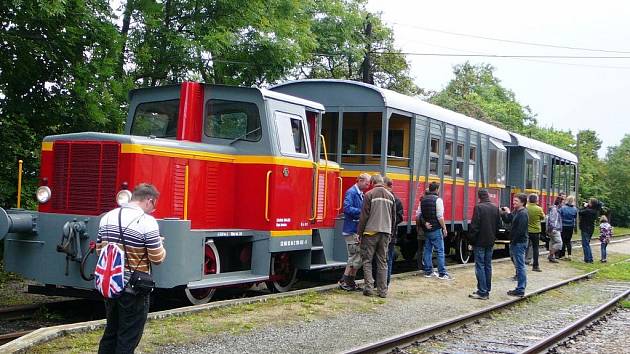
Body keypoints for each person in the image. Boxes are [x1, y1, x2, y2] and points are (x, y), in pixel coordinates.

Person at [97, 183, 166, 354]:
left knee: (111, 333)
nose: (153, 210)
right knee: (128, 338)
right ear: (149, 200)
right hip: (134, 289)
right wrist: (161, 245)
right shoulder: (147, 221)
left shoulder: (107, 217)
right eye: (154, 205)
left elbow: (100, 251)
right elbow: (157, 258)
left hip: (110, 285)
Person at [357, 174, 396, 298]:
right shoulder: (391, 196)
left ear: (373, 183)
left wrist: (359, 233)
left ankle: (369, 288)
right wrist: (391, 233)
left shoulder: (369, 195)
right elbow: (393, 218)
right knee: (382, 261)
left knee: (367, 260)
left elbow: (364, 216)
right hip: (385, 232)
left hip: (370, 233)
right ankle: (382, 291)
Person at [338, 173, 371, 291]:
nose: (368, 186)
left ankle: (350, 281)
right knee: (353, 256)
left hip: (354, 229)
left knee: (357, 256)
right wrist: (362, 211)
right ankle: (345, 280)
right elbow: (346, 208)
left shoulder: (359, 193)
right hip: (351, 229)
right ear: (360, 181)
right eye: (367, 183)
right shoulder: (352, 192)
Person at [468, 189, 501, 300]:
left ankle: (482, 291)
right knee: (488, 265)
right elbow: (498, 226)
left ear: (479, 197)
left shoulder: (478, 208)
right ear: (488, 196)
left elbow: (474, 227)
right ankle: (486, 289)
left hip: (480, 241)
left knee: (480, 266)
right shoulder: (495, 207)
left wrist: (471, 241)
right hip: (490, 241)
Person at [416, 182, 452, 280]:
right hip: (436, 229)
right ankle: (442, 273)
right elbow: (440, 216)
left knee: (427, 250)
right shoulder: (438, 200)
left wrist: (424, 224)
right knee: (440, 251)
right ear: (437, 189)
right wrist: (444, 228)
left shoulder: (422, 200)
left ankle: (428, 271)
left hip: (427, 230)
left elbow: (418, 215)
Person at [501, 193, 529, 297]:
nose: (514, 202)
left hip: (519, 243)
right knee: (518, 265)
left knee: (520, 266)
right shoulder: (516, 211)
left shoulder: (523, 213)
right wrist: (504, 213)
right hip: (515, 242)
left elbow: (521, 230)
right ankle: (520, 287)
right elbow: (508, 220)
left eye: (516, 201)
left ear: (522, 202)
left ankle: (521, 288)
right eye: (514, 200)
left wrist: (513, 240)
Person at [382, 176, 403, 286]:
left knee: (383, 258)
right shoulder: (397, 200)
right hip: (392, 233)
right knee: (388, 258)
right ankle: (385, 282)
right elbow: (400, 217)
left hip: (385, 233)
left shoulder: (391, 199)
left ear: (386, 185)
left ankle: (381, 282)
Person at [526, 194, 545, 272]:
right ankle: (535, 265)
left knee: (526, 247)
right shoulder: (539, 209)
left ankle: (524, 262)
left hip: (527, 230)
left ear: (528, 199)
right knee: (535, 248)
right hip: (536, 231)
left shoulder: (526, 208)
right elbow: (543, 217)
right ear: (536, 200)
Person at [579, 198, 600, 264]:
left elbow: (580, 212)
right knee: (587, 243)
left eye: (589, 202)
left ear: (592, 204)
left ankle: (588, 259)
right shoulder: (595, 211)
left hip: (585, 228)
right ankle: (589, 258)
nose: (588, 202)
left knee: (585, 244)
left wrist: (584, 206)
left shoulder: (588, 210)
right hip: (591, 228)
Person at [558, 195, 578, 260]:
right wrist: (575, 228)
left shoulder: (563, 208)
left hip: (563, 226)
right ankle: (569, 255)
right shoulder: (575, 209)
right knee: (568, 241)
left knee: (563, 240)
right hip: (571, 226)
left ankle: (562, 255)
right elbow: (575, 218)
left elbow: (559, 215)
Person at [546, 197, 563, 263]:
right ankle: (551, 255)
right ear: (560, 203)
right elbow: (552, 220)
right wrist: (553, 228)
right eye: (562, 203)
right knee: (559, 243)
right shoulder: (555, 210)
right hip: (555, 229)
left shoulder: (554, 209)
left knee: (552, 242)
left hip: (553, 229)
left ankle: (552, 257)